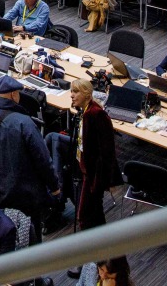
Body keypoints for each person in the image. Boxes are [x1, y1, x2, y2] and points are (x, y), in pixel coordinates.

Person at [0, 76, 61, 228]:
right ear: (13, 95)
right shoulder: (25, 123)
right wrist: (54, 187)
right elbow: (42, 159)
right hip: (22, 193)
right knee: (28, 233)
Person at [69, 79, 120, 230]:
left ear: (86, 94)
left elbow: (107, 151)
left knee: (85, 216)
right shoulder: (85, 112)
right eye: (71, 91)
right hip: (87, 172)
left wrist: (106, 180)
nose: (72, 95)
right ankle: (111, 253)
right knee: (96, 218)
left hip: (94, 176)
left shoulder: (96, 114)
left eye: (76, 92)